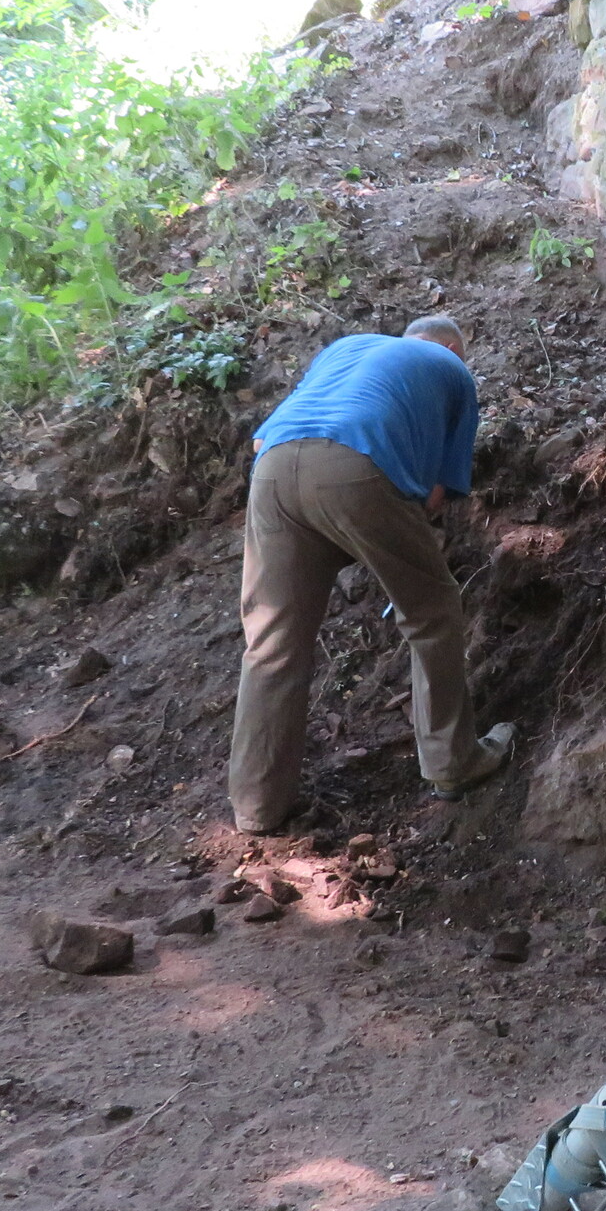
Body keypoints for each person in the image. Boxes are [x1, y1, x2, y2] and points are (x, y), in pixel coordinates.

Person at [228, 314, 515, 832]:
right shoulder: (452, 369)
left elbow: (265, 442)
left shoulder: (347, 347)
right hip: (355, 465)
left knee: (271, 644)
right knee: (431, 613)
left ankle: (257, 805)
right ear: (453, 348)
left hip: (271, 470)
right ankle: (453, 762)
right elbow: (433, 497)